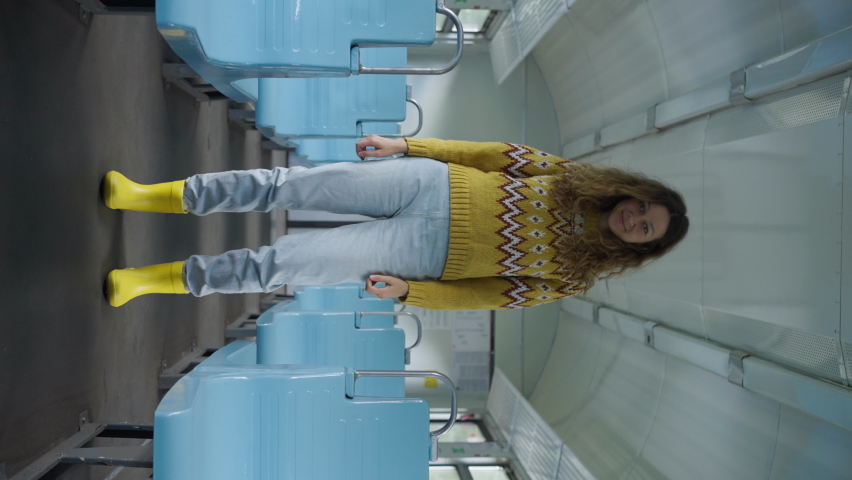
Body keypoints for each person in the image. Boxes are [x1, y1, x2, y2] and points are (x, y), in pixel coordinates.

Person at [103, 136, 689, 309]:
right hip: (429, 181)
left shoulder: (570, 279)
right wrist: (407, 144)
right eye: (643, 208)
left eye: (644, 231)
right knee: (291, 185)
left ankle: (155, 279)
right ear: (634, 193)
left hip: (420, 253)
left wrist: (415, 293)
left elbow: (482, 297)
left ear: (637, 250)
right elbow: (484, 154)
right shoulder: (568, 175)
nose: (634, 220)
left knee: (287, 265)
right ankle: (152, 195)